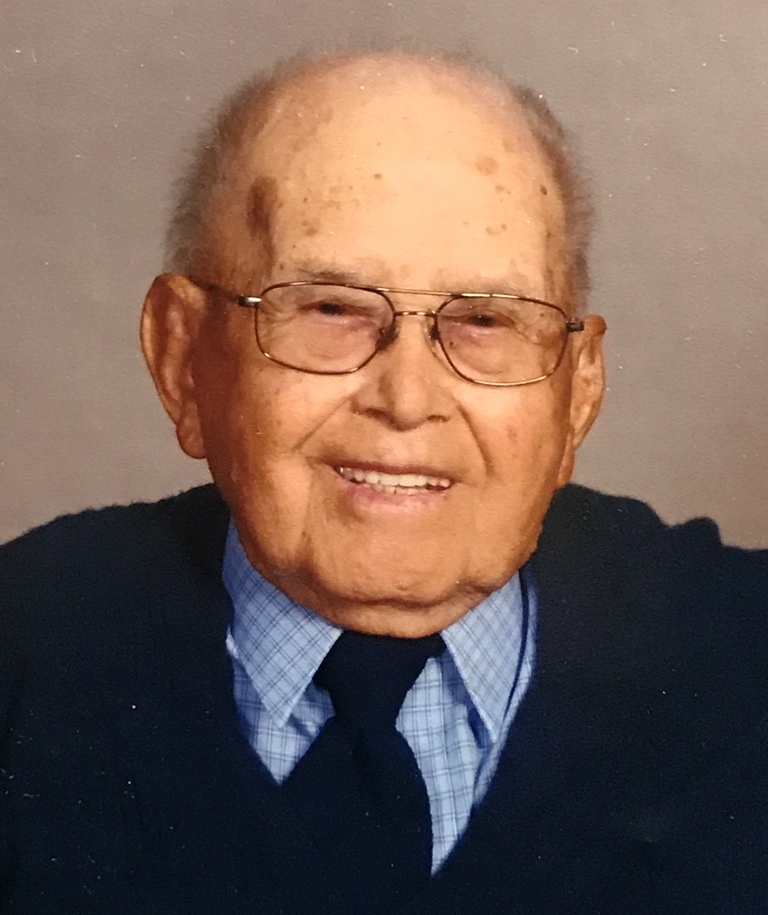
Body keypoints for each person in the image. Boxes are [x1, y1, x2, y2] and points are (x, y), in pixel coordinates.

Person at [1, 50, 766, 915]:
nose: (406, 400)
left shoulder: (744, 665)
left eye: (486, 320)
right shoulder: (25, 651)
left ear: (579, 390)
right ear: (183, 359)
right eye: (330, 308)